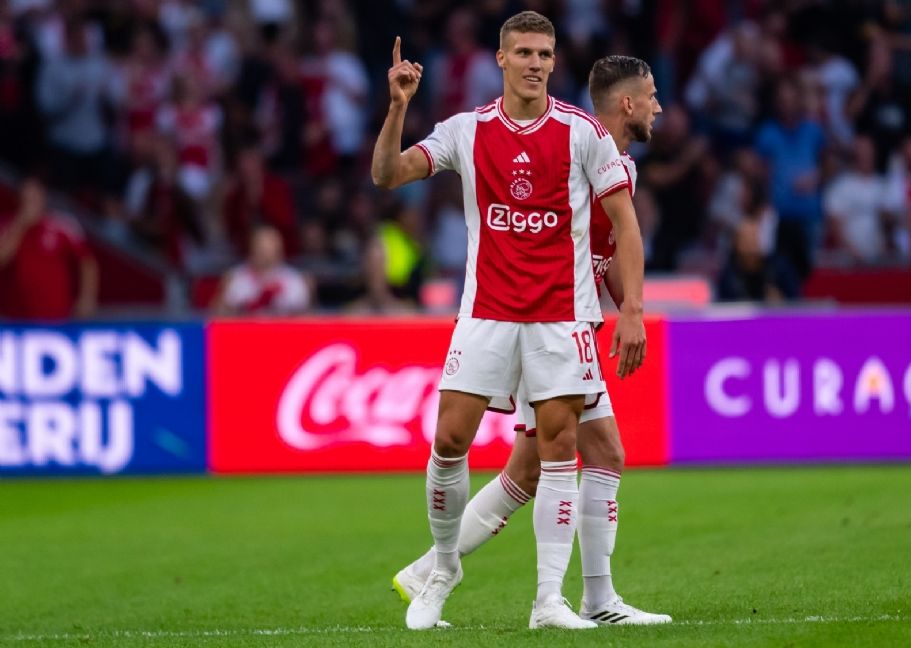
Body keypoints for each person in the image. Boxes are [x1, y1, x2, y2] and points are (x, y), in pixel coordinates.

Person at [370, 11, 646, 631]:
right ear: (501, 59)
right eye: (523, 52)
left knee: (559, 452)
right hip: (486, 314)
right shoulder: (467, 130)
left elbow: (625, 223)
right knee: (449, 441)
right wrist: (397, 108)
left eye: (544, 54)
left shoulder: (582, 132)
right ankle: (442, 569)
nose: (535, 64)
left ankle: (549, 602)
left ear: (554, 60)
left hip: (561, 318)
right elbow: (387, 175)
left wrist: (631, 309)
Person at [0, 176, 98, 320]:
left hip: (55, 316)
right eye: (26, 199)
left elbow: (87, 262)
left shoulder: (62, 225)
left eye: (34, 198)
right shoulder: (5, 225)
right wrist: (20, 225)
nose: (30, 204)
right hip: (14, 317)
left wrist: (87, 298)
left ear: (43, 198)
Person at [212, 224, 310, 316]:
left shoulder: (293, 280)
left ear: (279, 250)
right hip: (245, 327)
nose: (265, 253)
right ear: (252, 248)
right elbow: (218, 315)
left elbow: (304, 317)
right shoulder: (235, 277)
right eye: (261, 247)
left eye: (270, 248)